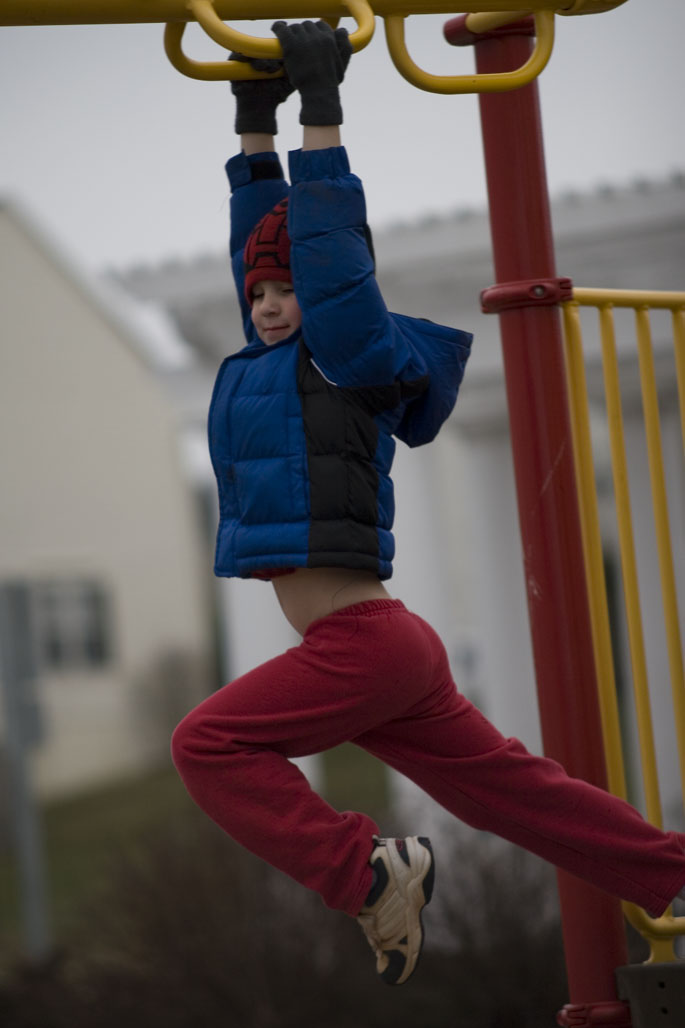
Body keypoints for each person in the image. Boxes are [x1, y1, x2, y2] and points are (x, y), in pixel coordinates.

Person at [172, 20, 685, 986]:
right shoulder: (269, 358)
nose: (274, 305)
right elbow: (270, 244)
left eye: (289, 292)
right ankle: (675, 874)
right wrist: (253, 126)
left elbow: (327, 252)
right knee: (512, 797)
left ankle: (364, 875)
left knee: (208, 743)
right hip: (382, 649)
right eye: (263, 294)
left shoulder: (344, 352)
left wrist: (322, 113)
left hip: (358, 649)